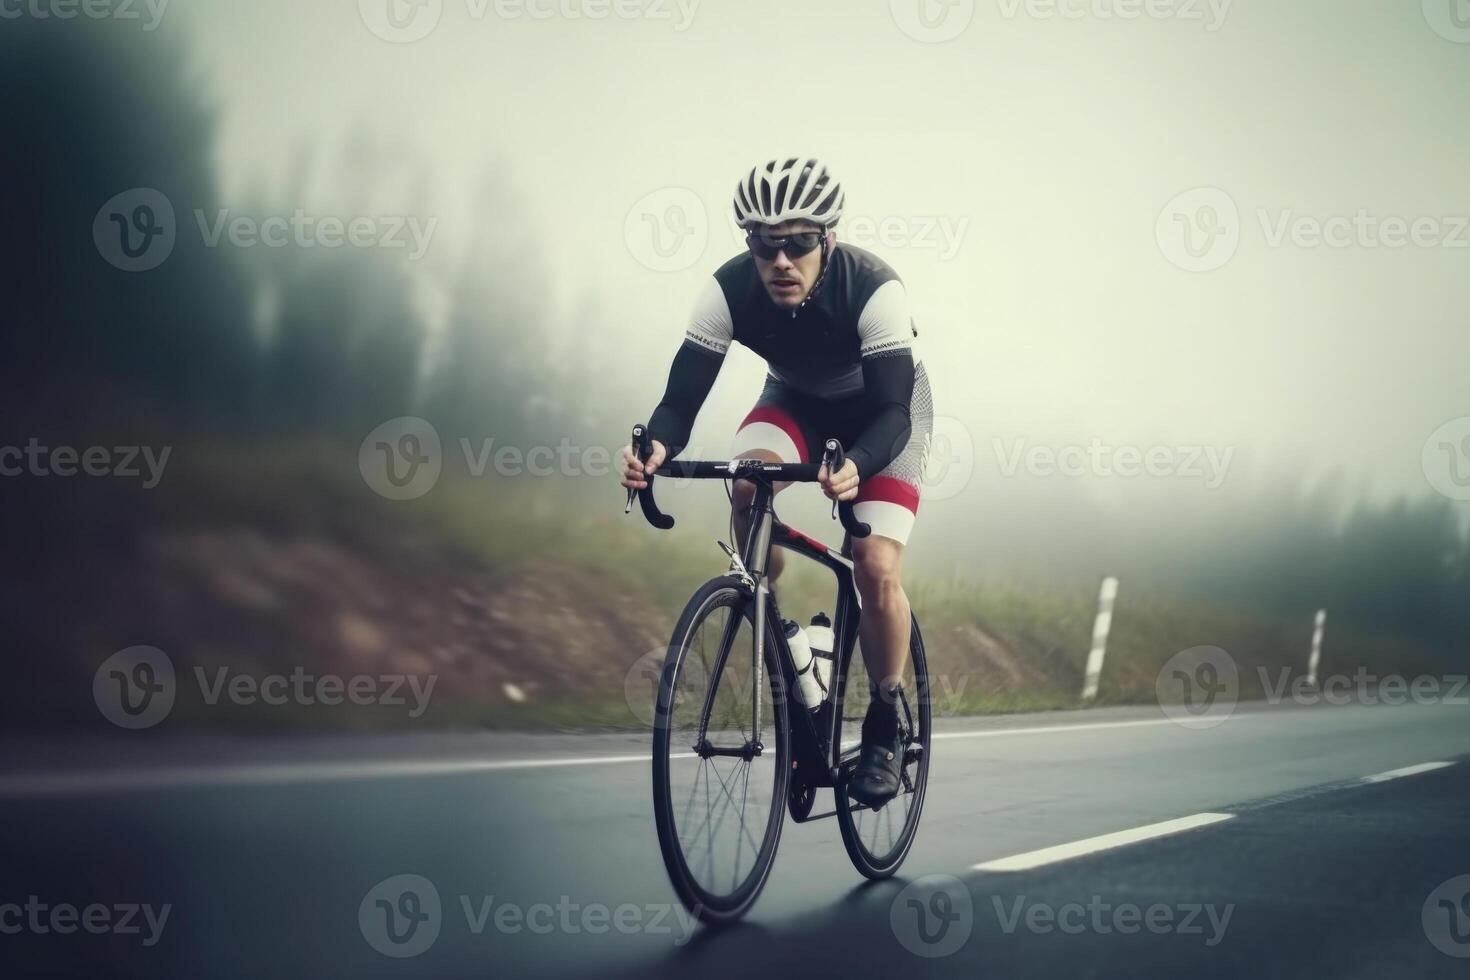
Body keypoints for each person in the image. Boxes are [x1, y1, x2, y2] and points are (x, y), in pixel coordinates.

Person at [620, 158, 934, 806]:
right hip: (793, 400)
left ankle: (882, 718)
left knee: (873, 562)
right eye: (766, 245)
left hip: (882, 418)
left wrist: (857, 464)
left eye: (799, 243)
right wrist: (653, 449)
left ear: (829, 240)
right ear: (750, 246)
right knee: (745, 484)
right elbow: (680, 403)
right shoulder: (729, 291)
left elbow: (895, 414)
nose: (782, 260)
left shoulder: (875, 290)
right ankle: (774, 619)